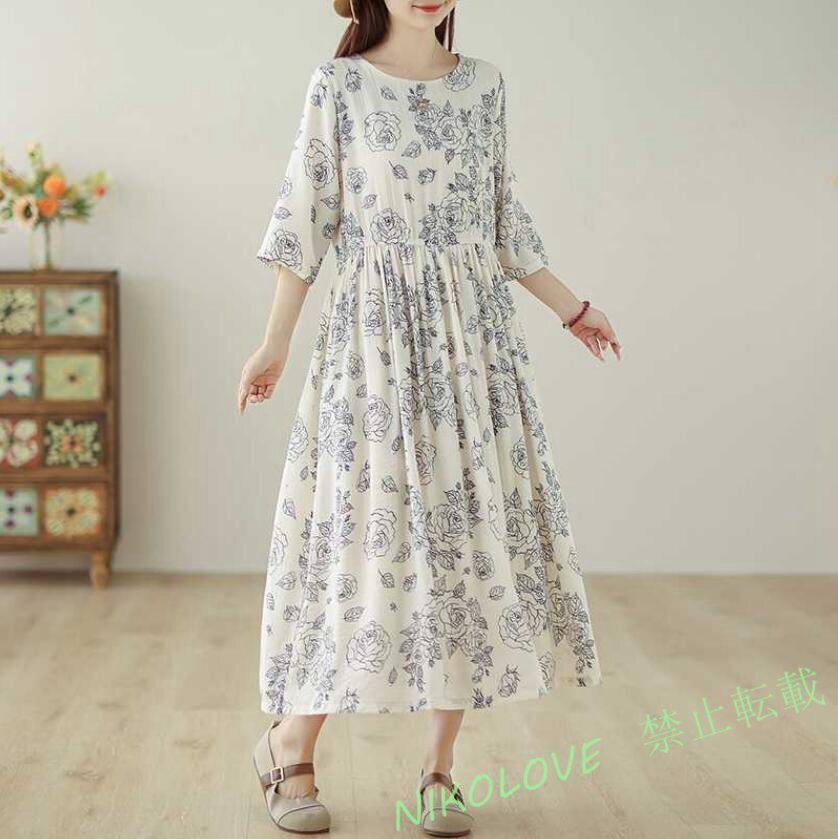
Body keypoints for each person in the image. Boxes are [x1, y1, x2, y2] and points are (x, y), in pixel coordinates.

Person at [238, 0, 621, 834]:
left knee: (463, 544)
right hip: (372, 342)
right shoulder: (338, 86)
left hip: (471, 348)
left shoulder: (485, 86)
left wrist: (573, 307)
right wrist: (274, 342)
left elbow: (503, 219)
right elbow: (305, 216)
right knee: (360, 539)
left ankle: (439, 768)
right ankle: (291, 740)